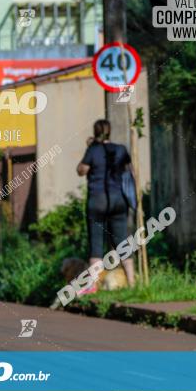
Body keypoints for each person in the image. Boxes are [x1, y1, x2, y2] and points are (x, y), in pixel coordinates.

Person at [76, 119, 137, 292]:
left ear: (95, 133)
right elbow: (130, 171)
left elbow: (81, 170)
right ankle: (132, 284)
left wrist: (90, 147)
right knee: (123, 243)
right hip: (119, 200)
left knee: (96, 243)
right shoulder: (121, 149)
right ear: (110, 132)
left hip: (97, 201)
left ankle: (93, 286)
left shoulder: (93, 150)